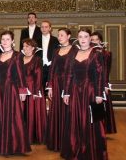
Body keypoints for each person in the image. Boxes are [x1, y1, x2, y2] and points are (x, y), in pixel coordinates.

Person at [61, 28, 108, 160]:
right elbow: (69, 74)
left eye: (85, 36)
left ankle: (94, 152)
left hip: (91, 92)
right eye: (80, 36)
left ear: (89, 38)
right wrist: (66, 93)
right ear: (77, 38)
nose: (82, 39)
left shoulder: (96, 53)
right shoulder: (73, 53)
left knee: (95, 121)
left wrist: (99, 94)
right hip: (75, 91)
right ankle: (75, 149)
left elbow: (99, 75)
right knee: (75, 120)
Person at [0, 31, 30, 156]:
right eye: (3, 39)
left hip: (12, 90)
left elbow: (21, 73)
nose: (5, 41)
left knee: (13, 117)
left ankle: (14, 146)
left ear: (12, 41)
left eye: (7, 39)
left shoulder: (17, 55)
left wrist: (22, 90)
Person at [45, 27, 75, 152]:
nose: (59, 37)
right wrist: (50, 86)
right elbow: (52, 69)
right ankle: (57, 141)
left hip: (70, 84)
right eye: (59, 35)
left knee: (68, 111)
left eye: (62, 35)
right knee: (57, 110)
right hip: (57, 83)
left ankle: (69, 141)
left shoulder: (75, 50)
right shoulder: (56, 50)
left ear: (68, 36)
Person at [91, 31, 116, 134]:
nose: (93, 42)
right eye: (92, 40)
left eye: (96, 39)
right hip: (91, 84)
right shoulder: (89, 53)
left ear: (100, 41)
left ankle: (101, 130)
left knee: (102, 107)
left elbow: (106, 70)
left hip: (102, 83)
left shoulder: (106, 54)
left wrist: (105, 85)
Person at [22, 39, 46, 145]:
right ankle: (23, 135)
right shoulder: (19, 58)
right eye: (24, 46)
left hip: (33, 88)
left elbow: (39, 76)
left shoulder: (37, 59)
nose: (25, 48)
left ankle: (33, 136)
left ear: (33, 48)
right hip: (22, 89)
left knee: (32, 113)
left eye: (27, 46)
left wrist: (36, 91)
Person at [37, 20, 59, 89]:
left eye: (46, 27)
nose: (44, 29)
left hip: (52, 66)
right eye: (42, 27)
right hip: (40, 67)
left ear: (50, 28)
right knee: (41, 88)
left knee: (52, 88)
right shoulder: (36, 40)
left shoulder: (56, 40)